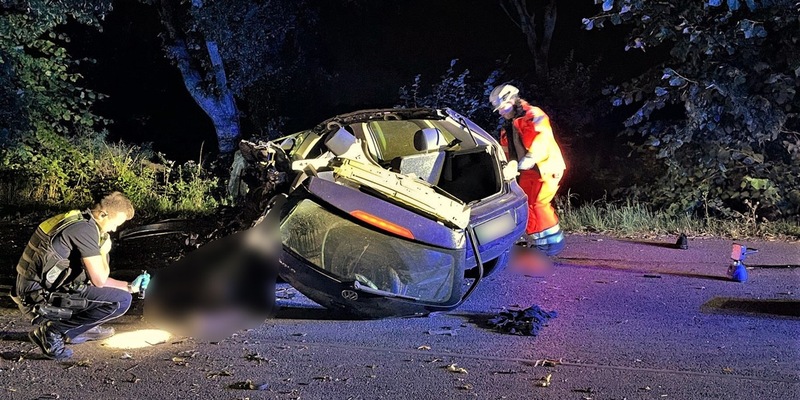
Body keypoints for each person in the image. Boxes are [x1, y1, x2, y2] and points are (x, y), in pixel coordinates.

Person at [10, 191, 150, 360]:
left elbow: (91, 279)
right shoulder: (85, 231)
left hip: (31, 290)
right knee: (122, 301)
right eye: (115, 224)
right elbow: (99, 280)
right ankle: (52, 331)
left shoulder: (78, 220)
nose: (114, 230)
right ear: (103, 214)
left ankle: (82, 326)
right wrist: (104, 249)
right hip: (38, 299)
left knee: (120, 293)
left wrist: (130, 286)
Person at [490, 83, 566, 256]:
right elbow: (506, 150)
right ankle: (539, 242)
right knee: (527, 204)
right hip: (527, 171)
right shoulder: (509, 126)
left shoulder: (533, 114)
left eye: (503, 107)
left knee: (539, 204)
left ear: (513, 100)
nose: (501, 112)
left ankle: (553, 242)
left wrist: (528, 160)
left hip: (545, 167)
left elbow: (541, 138)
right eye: (499, 109)